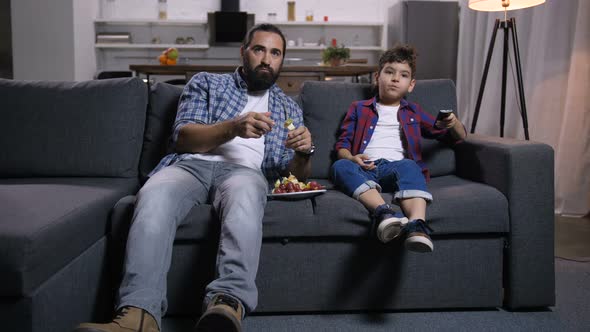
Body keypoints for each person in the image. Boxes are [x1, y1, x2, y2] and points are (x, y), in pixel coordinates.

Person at [74, 24, 314, 332]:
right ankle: (139, 316)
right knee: (153, 196)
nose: (266, 59)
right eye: (259, 49)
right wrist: (234, 127)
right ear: (243, 52)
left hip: (244, 173)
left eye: (275, 52)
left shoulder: (287, 107)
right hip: (190, 165)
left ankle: (226, 306)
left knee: (246, 197)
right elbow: (183, 138)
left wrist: (304, 153)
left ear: (282, 60)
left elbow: (292, 174)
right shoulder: (208, 83)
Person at [331, 44, 466, 253]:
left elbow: (453, 137)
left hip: (396, 168)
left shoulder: (414, 111)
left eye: (403, 75)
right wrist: (351, 158)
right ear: (377, 76)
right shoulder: (358, 108)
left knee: (410, 166)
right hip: (365, 167)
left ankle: (417, 227)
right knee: (340, 166)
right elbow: (342, 145)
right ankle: (384, 213)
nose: (395, 78)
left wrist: (453, 122)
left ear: (411, 85)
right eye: (389, 72)